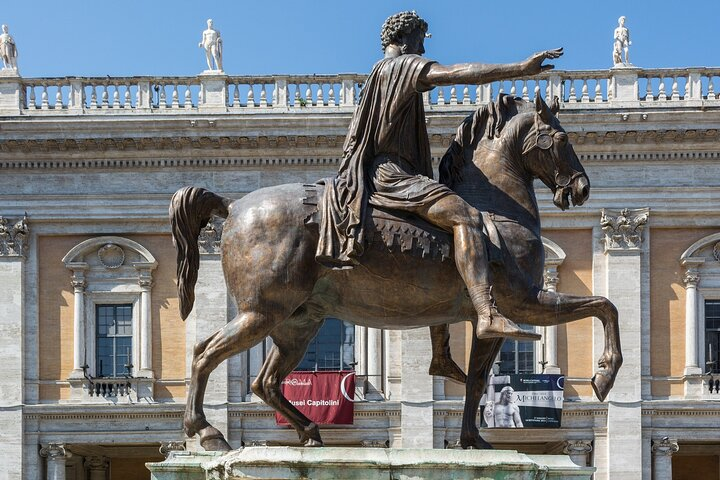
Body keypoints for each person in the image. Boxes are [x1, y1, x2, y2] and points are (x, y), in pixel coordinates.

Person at [317, 11, 559, 359]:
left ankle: (441, 354)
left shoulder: (375, 75)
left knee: (436, 244)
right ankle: (487, 313)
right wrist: (520, 68)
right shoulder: (402, 68)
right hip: (392, 176)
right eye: (420, 40)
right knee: (466, 218)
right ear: (407, 39)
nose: (422, 48)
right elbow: (459, 73)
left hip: (378, 172)